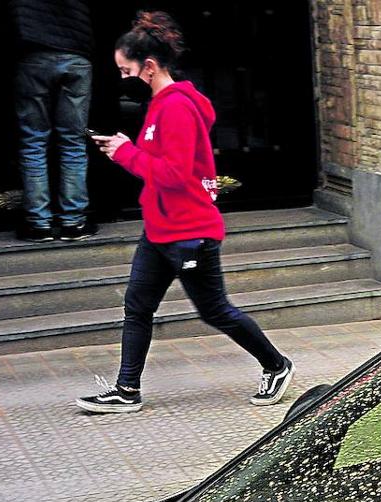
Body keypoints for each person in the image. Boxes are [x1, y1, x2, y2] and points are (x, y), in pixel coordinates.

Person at [76, 11, 293, 415]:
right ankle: (127, 390)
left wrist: (126, 154)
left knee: (215, 310)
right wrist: (127, 149)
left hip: (189, 231)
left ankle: (276, 365)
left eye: (127, 71)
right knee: (137, 306)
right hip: (160, 229)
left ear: (151, 66)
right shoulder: (161, 105)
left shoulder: (176, 108)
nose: (123, 79)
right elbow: (158, 162)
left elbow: (174, 175)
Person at [9, 0, 98, 242]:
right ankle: (73, 222)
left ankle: (39, 224)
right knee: (73, 141)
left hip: (33, 54)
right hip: (76, 54)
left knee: (33, 141)